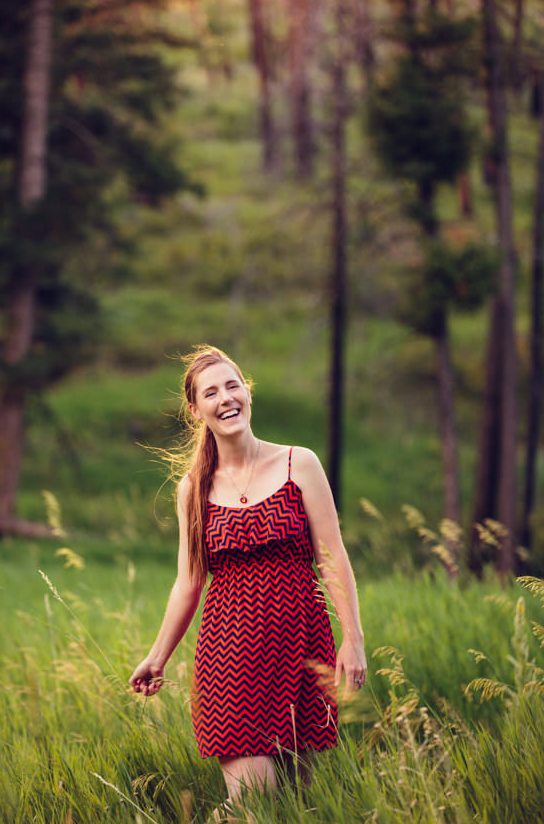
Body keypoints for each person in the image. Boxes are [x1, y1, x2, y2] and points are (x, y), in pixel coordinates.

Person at [129, 345, 366, 809]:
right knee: (254, 802)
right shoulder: (193, 489)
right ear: (196, 411)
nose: (225, 398)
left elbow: (332, 557)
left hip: (304, 647)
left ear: (248, 393)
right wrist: (157, 657)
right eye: (211, 392)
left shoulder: (301, 464)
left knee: (298, 803)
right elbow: (189, 582)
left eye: (232, 385)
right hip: (229, 657)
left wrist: (353, 638)